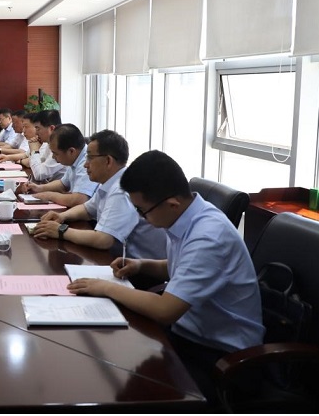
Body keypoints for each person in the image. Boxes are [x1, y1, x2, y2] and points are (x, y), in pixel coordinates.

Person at [67, 150, 264, 404]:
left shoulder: (208, 236)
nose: (140, 217)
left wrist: (106, 288)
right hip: (189, 333)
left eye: (142, 210)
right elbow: (179, 267)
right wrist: (141, 265)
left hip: (221, 356)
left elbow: (165, 310)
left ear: (172, 204)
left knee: (121, 387)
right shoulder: (187, 215)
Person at [33, 129, 166, 260]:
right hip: (121, 260)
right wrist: (62, 216)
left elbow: (103, 240)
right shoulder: (110, 182)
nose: (85, 165)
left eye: (90, 157)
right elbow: (87, 209)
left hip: (139, 268)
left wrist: (61, 230)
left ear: (108, 161)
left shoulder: (120, 190)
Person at [20, 124, 92, 207]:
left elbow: (79, 200)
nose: (53, 157)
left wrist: (49, 196)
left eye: (55, 153)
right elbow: (63, 184)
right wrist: (39, 188)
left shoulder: (87, 163)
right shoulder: (76, 158)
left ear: (71, 151)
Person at [22, 109, 66, 181]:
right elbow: (39, 163)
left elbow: (39, 175)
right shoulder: (47, 143)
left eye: (38, 129)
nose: (36, 133)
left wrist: (35, 151)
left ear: (51, 128)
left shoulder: (62, 144)